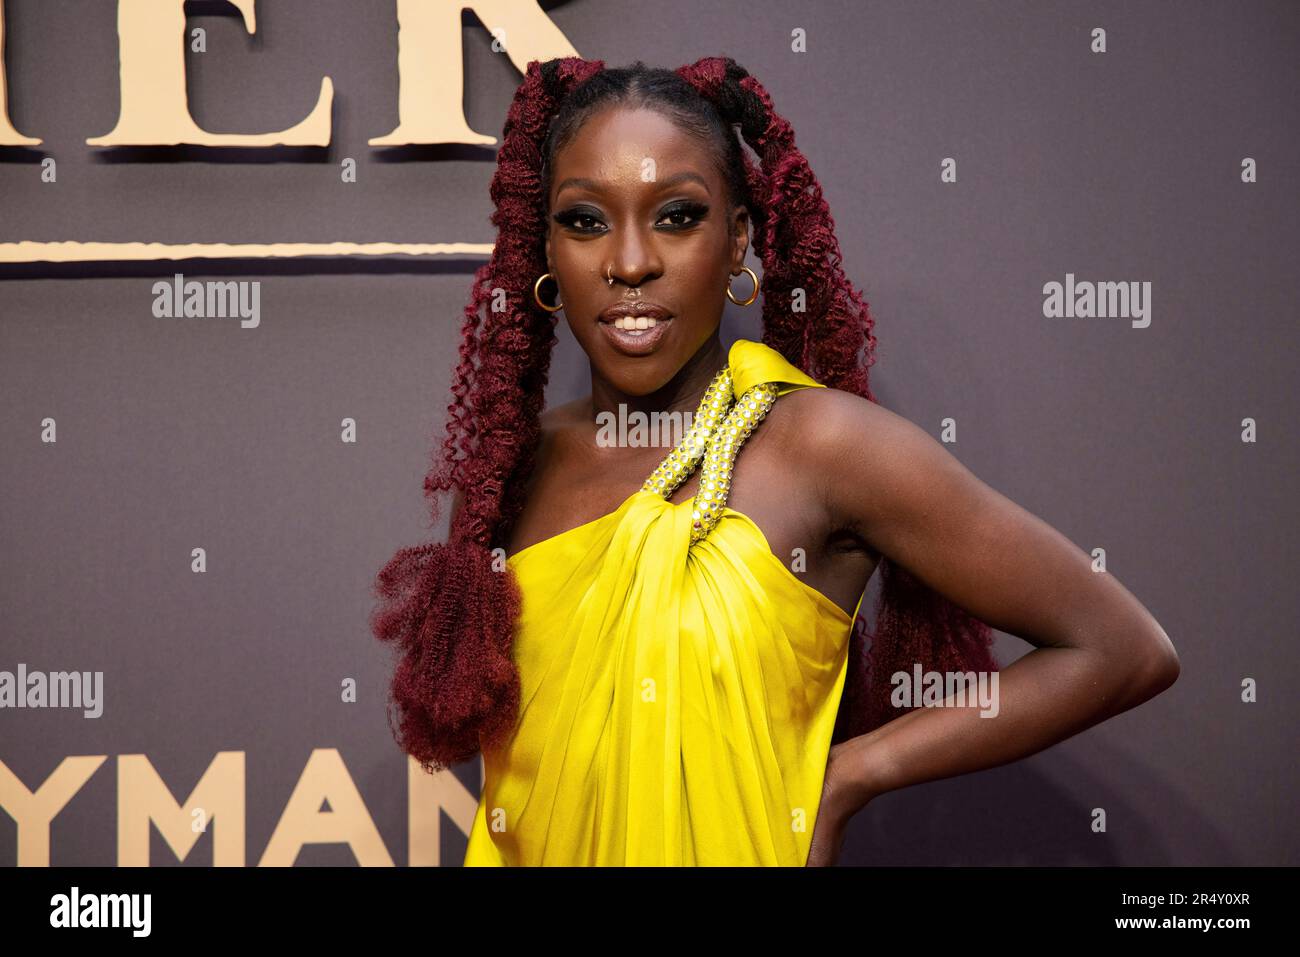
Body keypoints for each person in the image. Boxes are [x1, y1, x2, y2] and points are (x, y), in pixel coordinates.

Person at [370, 56, 1180, 866]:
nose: (628, 262)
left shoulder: (822, 445)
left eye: (677, 215)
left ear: (739, 241)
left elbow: (1120, 649)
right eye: (585, 220)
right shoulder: (511, 471)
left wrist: (855, 771)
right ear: (543, 247)